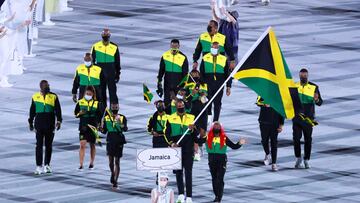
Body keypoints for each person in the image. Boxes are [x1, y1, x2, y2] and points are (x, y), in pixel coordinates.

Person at [198, 121, 245, 202]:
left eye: (218, 126)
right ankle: (216, 195)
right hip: (211, 160)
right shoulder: (207, 137)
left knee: (219, 179)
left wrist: (240, 143)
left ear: (220, 128)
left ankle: (219, 198)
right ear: (212, 128)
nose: (216, 127)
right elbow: (198, 141)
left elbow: (233, 146)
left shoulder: (224, 137)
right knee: (214, 179)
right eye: (215, 126)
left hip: (221, 160)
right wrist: (195, 132)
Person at [165, 100, 197, 203]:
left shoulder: (191, 118)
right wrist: (171, 143)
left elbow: (195, 134)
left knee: (188, 172)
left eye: (182, 105)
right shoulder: (170, 118)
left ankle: (189, 197)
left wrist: (192, 130)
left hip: (188, 149)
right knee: (178, 172)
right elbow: (167, 133)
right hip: (176, 149)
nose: (180, 107)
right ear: (175, 107)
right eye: (179, 106)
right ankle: (181, 195)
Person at [28, 80, 62, 175]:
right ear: (41, 87)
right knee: (39, 145)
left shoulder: (53, 96)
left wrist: (59, 121)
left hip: (50, 123)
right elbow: (32, 110)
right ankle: (39, 166)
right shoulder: (35, 96)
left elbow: (58, 109)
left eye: (48, 85)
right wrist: (30, 122)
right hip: (39, 123)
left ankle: (47, 165)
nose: (47, 87)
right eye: (45, 86)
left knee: (48, 145)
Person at [293, 68, 323, 169]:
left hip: (308, 119)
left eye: (305, 76)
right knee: (296, 139)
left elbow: (320, 103)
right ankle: (298, 157)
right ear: (299, 76)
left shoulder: (314, 87)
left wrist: (317, 99)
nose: (303, 77)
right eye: (302, 76)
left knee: (308, 140)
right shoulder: (294, 86)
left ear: (308, 76)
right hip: (297, 117)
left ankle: (306, 159)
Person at [199, 42, 232, 122]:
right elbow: (201, 72)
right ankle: (208, 115)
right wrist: (202, 84)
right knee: (207, 100)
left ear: (219, 49)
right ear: (210, 48)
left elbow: (227, 73)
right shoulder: (205, 57)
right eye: (213, 48)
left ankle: (215, 120)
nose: (214, 49)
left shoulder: (224, 59)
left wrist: (228, 86)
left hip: (219, 83)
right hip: (208, 83)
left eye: (216, 48)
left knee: (217, 102)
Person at [74, 86, 103, 170]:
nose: (88, 95)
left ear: (93, 94)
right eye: (87, 94)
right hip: (83, 126)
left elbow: (100, 116)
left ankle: (91, 163)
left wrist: (99, 125)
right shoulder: (80, 102)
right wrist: (80, 113)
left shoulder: (97, 104)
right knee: (82, 144)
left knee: (92, 144)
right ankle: (81, 164)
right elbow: (76, 114)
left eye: (90, 94)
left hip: (93, 127)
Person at [157, 39, 189, 114]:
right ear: (170, 45)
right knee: (167, 101)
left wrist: (183, 85)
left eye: (176, 46)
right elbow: (161, 70)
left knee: (178, 101)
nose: (174, 47)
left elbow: (185, 73)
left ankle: (177, 117)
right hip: (167, 83)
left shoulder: (183, 57)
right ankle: (168, 118)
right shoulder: (165, 55)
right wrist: (159, 81)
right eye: (173, 45)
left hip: (178, 84)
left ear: (179, 46)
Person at [91, 28, 120, 106]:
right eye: (104, 35)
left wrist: (117, 74)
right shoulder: (96, 46)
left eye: (107, 35)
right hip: (100, 73)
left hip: (111, 73)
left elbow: (117, 62)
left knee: (113, 94)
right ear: (101, 36)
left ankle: (114, 111)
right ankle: (102, 111)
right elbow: (92, 61)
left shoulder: (114, 47)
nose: (105, 37)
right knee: (101, 93)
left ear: (109, 36)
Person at [101, 103, 127, 189]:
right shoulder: (106, 118)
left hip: (119, 140)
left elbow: (125, 128)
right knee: (110, 162)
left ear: (119, 107)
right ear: (110, 108)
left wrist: (120, 122)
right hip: (110, 140)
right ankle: (112, 173)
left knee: (117, 161)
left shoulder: (122, 117)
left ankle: (116, 180)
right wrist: (100, 128)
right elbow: (104, 131)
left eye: (116, 107)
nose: (115, 108)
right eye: (113, 107)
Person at [184, 69, 208, 161]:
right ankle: (196, 151)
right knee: (195, 131)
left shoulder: (204, 85)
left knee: (203, 131)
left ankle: (201, 144)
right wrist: (194, 94)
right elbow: (187, 98)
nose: (194, 75)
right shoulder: (188, 85)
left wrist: (202, 94)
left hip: (203, 110)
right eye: (192, 73)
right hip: (192, 110)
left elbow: (205, 99)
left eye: (196, 73)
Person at [256, 96, 284, 171]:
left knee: (274, 143)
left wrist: (281, 125)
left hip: (275, 124)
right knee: (264, 141)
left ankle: (274, 163)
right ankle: (267, 153)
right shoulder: (262, 93)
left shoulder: (278, 96)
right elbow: (258, 102)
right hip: (263, 122)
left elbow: (282, 110)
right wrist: (264, 104)